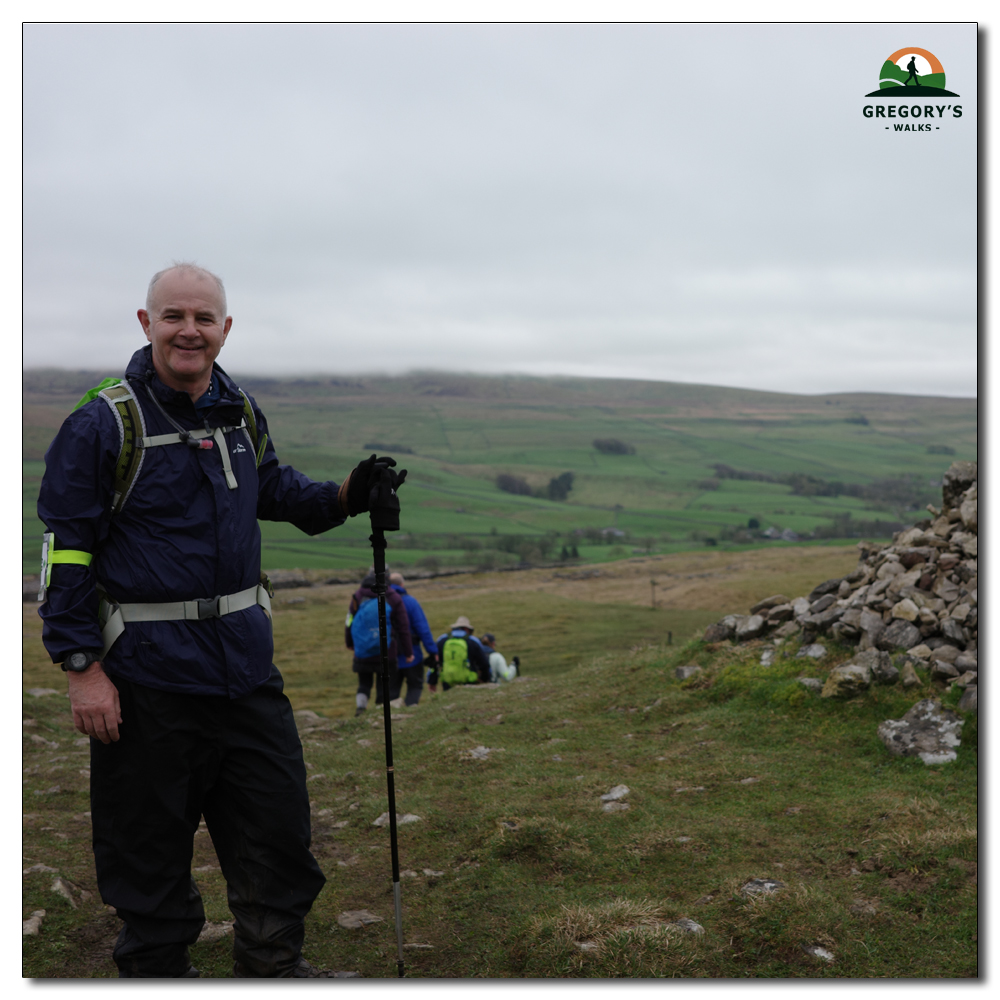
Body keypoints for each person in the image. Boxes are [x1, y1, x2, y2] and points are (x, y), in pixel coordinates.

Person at [36, 263, 404, 979]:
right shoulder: (103, 422)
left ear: (225, 330)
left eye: (204, 319)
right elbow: (68, 552)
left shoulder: (237, 410)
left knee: (277, 832)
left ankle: (271, 968)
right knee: (147, 854)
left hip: (244, 671)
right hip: (146, 681)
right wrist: (82, 668)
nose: (189, 330)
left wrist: (346, 493)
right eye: (174, 316)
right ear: (146, 325)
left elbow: (268, 486)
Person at [345, 568, 413, 715]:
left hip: (363, 649)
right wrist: (408, 652)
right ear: (386, 578)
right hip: (387, 651)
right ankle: (380, 715)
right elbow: (403, 627)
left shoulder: (358, 595)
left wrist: (350, 642)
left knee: (364, 683)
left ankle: (361, 709)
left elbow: (350, 620)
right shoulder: (392, 596)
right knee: (384, 685)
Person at [387, 572, 438, 706]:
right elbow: (422, 628)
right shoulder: (410, 601)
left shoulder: (381, 601)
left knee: (392, 690)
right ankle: (410, 713)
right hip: (412, 654)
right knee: (415, 686)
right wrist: (432, 650)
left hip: (389, 655)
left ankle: (389, 718)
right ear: (402, 584)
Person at [429, 616, 491, 690]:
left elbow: (434, 662)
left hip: (448, 683)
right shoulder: (473, 641)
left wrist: (432, 681)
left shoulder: (442, 640)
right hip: (469, 682)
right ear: (467, 629)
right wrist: (484, 679)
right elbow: (484, 664)